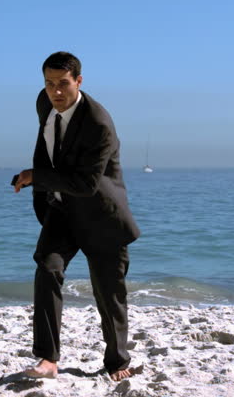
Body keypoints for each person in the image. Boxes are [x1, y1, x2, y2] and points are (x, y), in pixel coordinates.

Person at [14, 51, 140, 382]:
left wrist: (34, 176)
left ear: (79, 81)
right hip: (62, 210)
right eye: (49, 83)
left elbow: (86, 183)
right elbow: (47, 145)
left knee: (109, 292)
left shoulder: (99, 124)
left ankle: (116, 360)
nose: (56, 92)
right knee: (47, 268)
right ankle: (48, 358)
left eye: (63, 84)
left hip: (102, 215)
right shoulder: (45, 103)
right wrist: (42, 188)